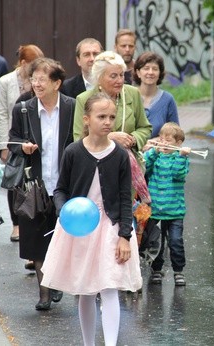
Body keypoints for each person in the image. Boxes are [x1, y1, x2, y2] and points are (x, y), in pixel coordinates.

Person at [42, 93, 142, 345]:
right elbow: (60, 189)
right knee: (85, 290)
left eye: (111, 117)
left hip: (110, 226)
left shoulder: (119, 154)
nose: (108, 122)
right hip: (79, 226)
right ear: (86, 120)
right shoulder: (73, 151)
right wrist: (63, 211)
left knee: (109, 288)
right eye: (101, 117)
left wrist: (124, 237)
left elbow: (124, 197)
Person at [7, 57, 74, 310]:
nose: (36, 83)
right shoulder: (23, 108)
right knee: (36, 239)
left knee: (62, 236)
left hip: (63, 183)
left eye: (42, 79)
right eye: (33, 78)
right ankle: (44, 293)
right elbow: (12, 140)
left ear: (57, 83)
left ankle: (56, 281)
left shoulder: (72, 107)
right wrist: (22, 146)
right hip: (33, 183)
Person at [0, 44, 44, 242]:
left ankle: (35, 219)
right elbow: (2, 113)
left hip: (34, 134)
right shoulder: (5, 81)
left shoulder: (41, 80)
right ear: (23, 63)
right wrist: (4, 145)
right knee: (14, 180)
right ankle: (16, 224)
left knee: (33, 181)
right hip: (14, 135)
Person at [73, 51, 151, 152]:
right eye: (113, 76)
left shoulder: (133, 93)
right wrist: (109, 137)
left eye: (121, 75)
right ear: (99, 77)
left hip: (127, 160)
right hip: (96, 159)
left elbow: (145, 128)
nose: (119, 80)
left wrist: (131, 139)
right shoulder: (83, 99)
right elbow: (78, 138)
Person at [143, 122, 190, 286]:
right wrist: (153, 152)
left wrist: (182, 156)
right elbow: (143, 166)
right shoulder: (156, 157)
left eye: (168, 140)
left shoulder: (181, 158)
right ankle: (156, 269)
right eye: (161, 139)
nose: (163, 143)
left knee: (175, 241)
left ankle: (179, 271)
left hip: (175, 210)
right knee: (155, 241)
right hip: (155, 209)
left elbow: (178, 175)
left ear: (179, 143)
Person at [134, 51, 179, 138]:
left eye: (155, 69)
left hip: (158, 150)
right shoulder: (129, 96)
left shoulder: (168, 99)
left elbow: (176, 135)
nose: (150, 72)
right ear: (138, 73)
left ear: (160, 74)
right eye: (146, 68)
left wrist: (158, 142)